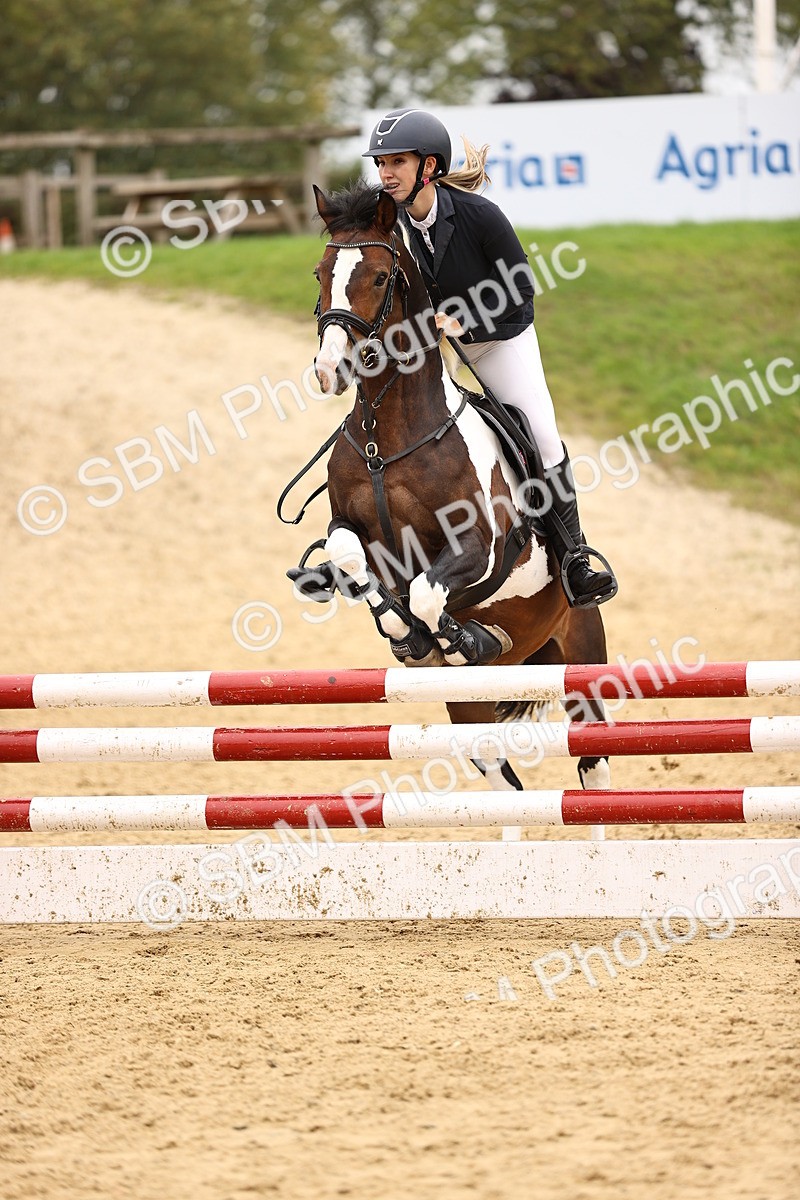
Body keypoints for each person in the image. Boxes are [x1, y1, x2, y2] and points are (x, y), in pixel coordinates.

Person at [362, 107, 617, 608]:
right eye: (381, 163)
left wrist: (465, 320)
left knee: (541, 437)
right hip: (436, 343)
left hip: (499, 339)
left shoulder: (479, 215)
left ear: (428, 167)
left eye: (397, 162)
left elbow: (521, 288)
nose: (386, 174)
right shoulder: (393, 219)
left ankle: (574, 558)